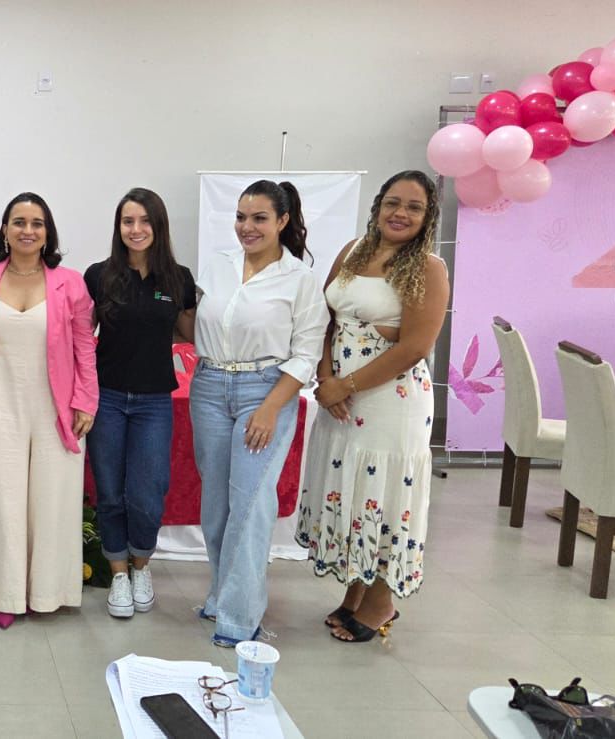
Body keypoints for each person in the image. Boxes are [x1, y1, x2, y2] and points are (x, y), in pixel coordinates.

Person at [296, 171, 449, 643]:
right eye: (393, 203)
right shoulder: (352, 251)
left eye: (414, 207)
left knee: (385, 497)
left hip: (390, 403)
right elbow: (323, 319)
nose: (400, 213)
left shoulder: (428, 267)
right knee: (352, 491)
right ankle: (355, 587)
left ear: (427, 217)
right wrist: (326, 379)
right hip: (338, 398)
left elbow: (416, 346)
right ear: (378, 206)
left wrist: (349, 384)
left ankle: (382, 599)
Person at [191, 180, 329, 647]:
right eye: (241, 217)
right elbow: (196, 323)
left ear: (283, 221)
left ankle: (239, 617)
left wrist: (271, 408)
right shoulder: (219, 265)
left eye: (259, 218)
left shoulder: (299, 280)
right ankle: (220, 593)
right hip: (208, 386)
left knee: (250, 506)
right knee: (216, 506)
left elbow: (306, 353)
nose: (247, 227)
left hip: (266, 390)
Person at [0, 192, 97, 629]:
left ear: (47, 231)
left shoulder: (69, 282)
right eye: (19, 222)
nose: (28, 230)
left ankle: (45, 591)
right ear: (4, 229)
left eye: (37, 223)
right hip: (1, 404)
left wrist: (85, 400)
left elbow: (84, 346)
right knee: (1, 499)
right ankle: (3, 592)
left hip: (56, 407)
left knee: (52, 501)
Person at [83, 188, 196, 619]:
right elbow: (79, 336)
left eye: (144, 221)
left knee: (148, 493)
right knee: (110, 493)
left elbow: (189, 333)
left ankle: (141, 565)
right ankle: (117, 574)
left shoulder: (179, 279)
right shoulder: (99, 275)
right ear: (118, 227)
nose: (136, 229)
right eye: (128, 221)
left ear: (159, 226)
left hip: (153, 402)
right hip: (107, 398)